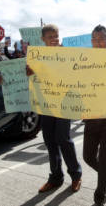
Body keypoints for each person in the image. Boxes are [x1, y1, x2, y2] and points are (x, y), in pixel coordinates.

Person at [32, 24, 82, 193]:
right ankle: (56, 177)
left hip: (64, 103)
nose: (54, 39)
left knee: (63, 138)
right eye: (50, 37)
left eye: (56, 36)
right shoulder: (37, 57)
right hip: (47, 104)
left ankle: (76, 175)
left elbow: (77, 74)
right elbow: (32, 78)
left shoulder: (66, 54)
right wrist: (28, 72)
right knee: (49, 140)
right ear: (43, 39)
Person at [83, 25, 106, 206]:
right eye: (95, 39)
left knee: (105, 157)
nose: (98, 42)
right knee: (88, 156)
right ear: (91, 42)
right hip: (91, 112)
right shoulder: (84, 60)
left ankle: (99, 197)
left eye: (101, 39)